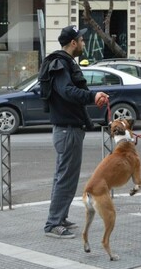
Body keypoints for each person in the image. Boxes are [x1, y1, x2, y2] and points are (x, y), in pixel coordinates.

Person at [38, 25, 109, 239]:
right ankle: (53, 224)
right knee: (65, 178)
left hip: (70, 128)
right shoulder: (60, 63)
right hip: (67, 130)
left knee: (66, 177)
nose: (84, 44)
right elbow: (67, 91)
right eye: (81, 40)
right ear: (73, 43)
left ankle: (59, 218)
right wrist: (92, 96)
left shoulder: (64, 63)